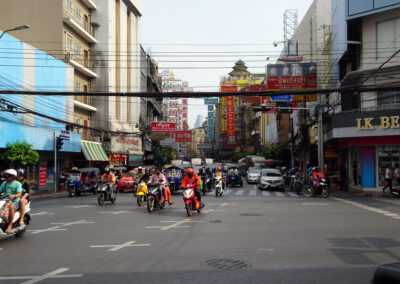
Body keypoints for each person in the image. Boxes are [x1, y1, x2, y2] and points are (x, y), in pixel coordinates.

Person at [0, 169, 22, 233]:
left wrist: (14, 196)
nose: (6, 177)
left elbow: (19, 194)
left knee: (11, 207)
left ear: (13, 176)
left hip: (15, 201)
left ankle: (10, 225)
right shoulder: (4, 183)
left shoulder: (17, 184)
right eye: (6, 175)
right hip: (5, 200)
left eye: (8, 175)